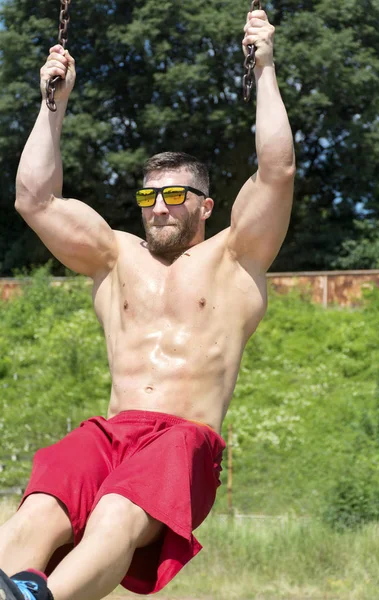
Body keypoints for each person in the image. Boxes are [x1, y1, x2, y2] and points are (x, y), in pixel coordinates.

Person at [0, 8, 295, 600]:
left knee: (114, 514)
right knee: (39, 509)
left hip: (183, 439)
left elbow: (276, 168)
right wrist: (52, 102)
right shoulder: (114, 256)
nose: (158, 207)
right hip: (110, 432)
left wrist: (263, 68)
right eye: (148, 195)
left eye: (175, 195)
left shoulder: (236, 258)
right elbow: (33, 198)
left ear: (206, 205)